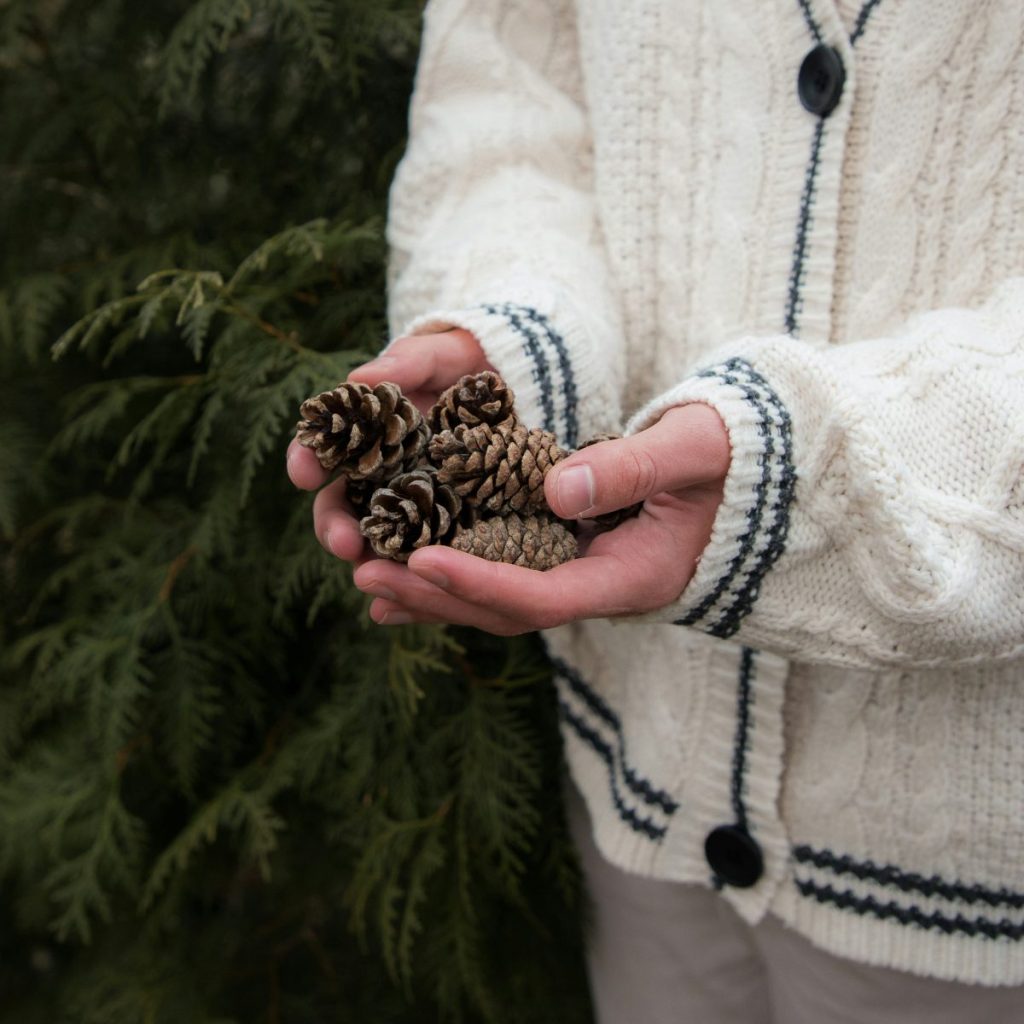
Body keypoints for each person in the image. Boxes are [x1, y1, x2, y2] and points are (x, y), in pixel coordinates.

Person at [288, 1, 1024, 1020]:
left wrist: (803, 477)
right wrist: (516, 358)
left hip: (982, 884)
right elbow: (509, 105)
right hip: (642, 786)